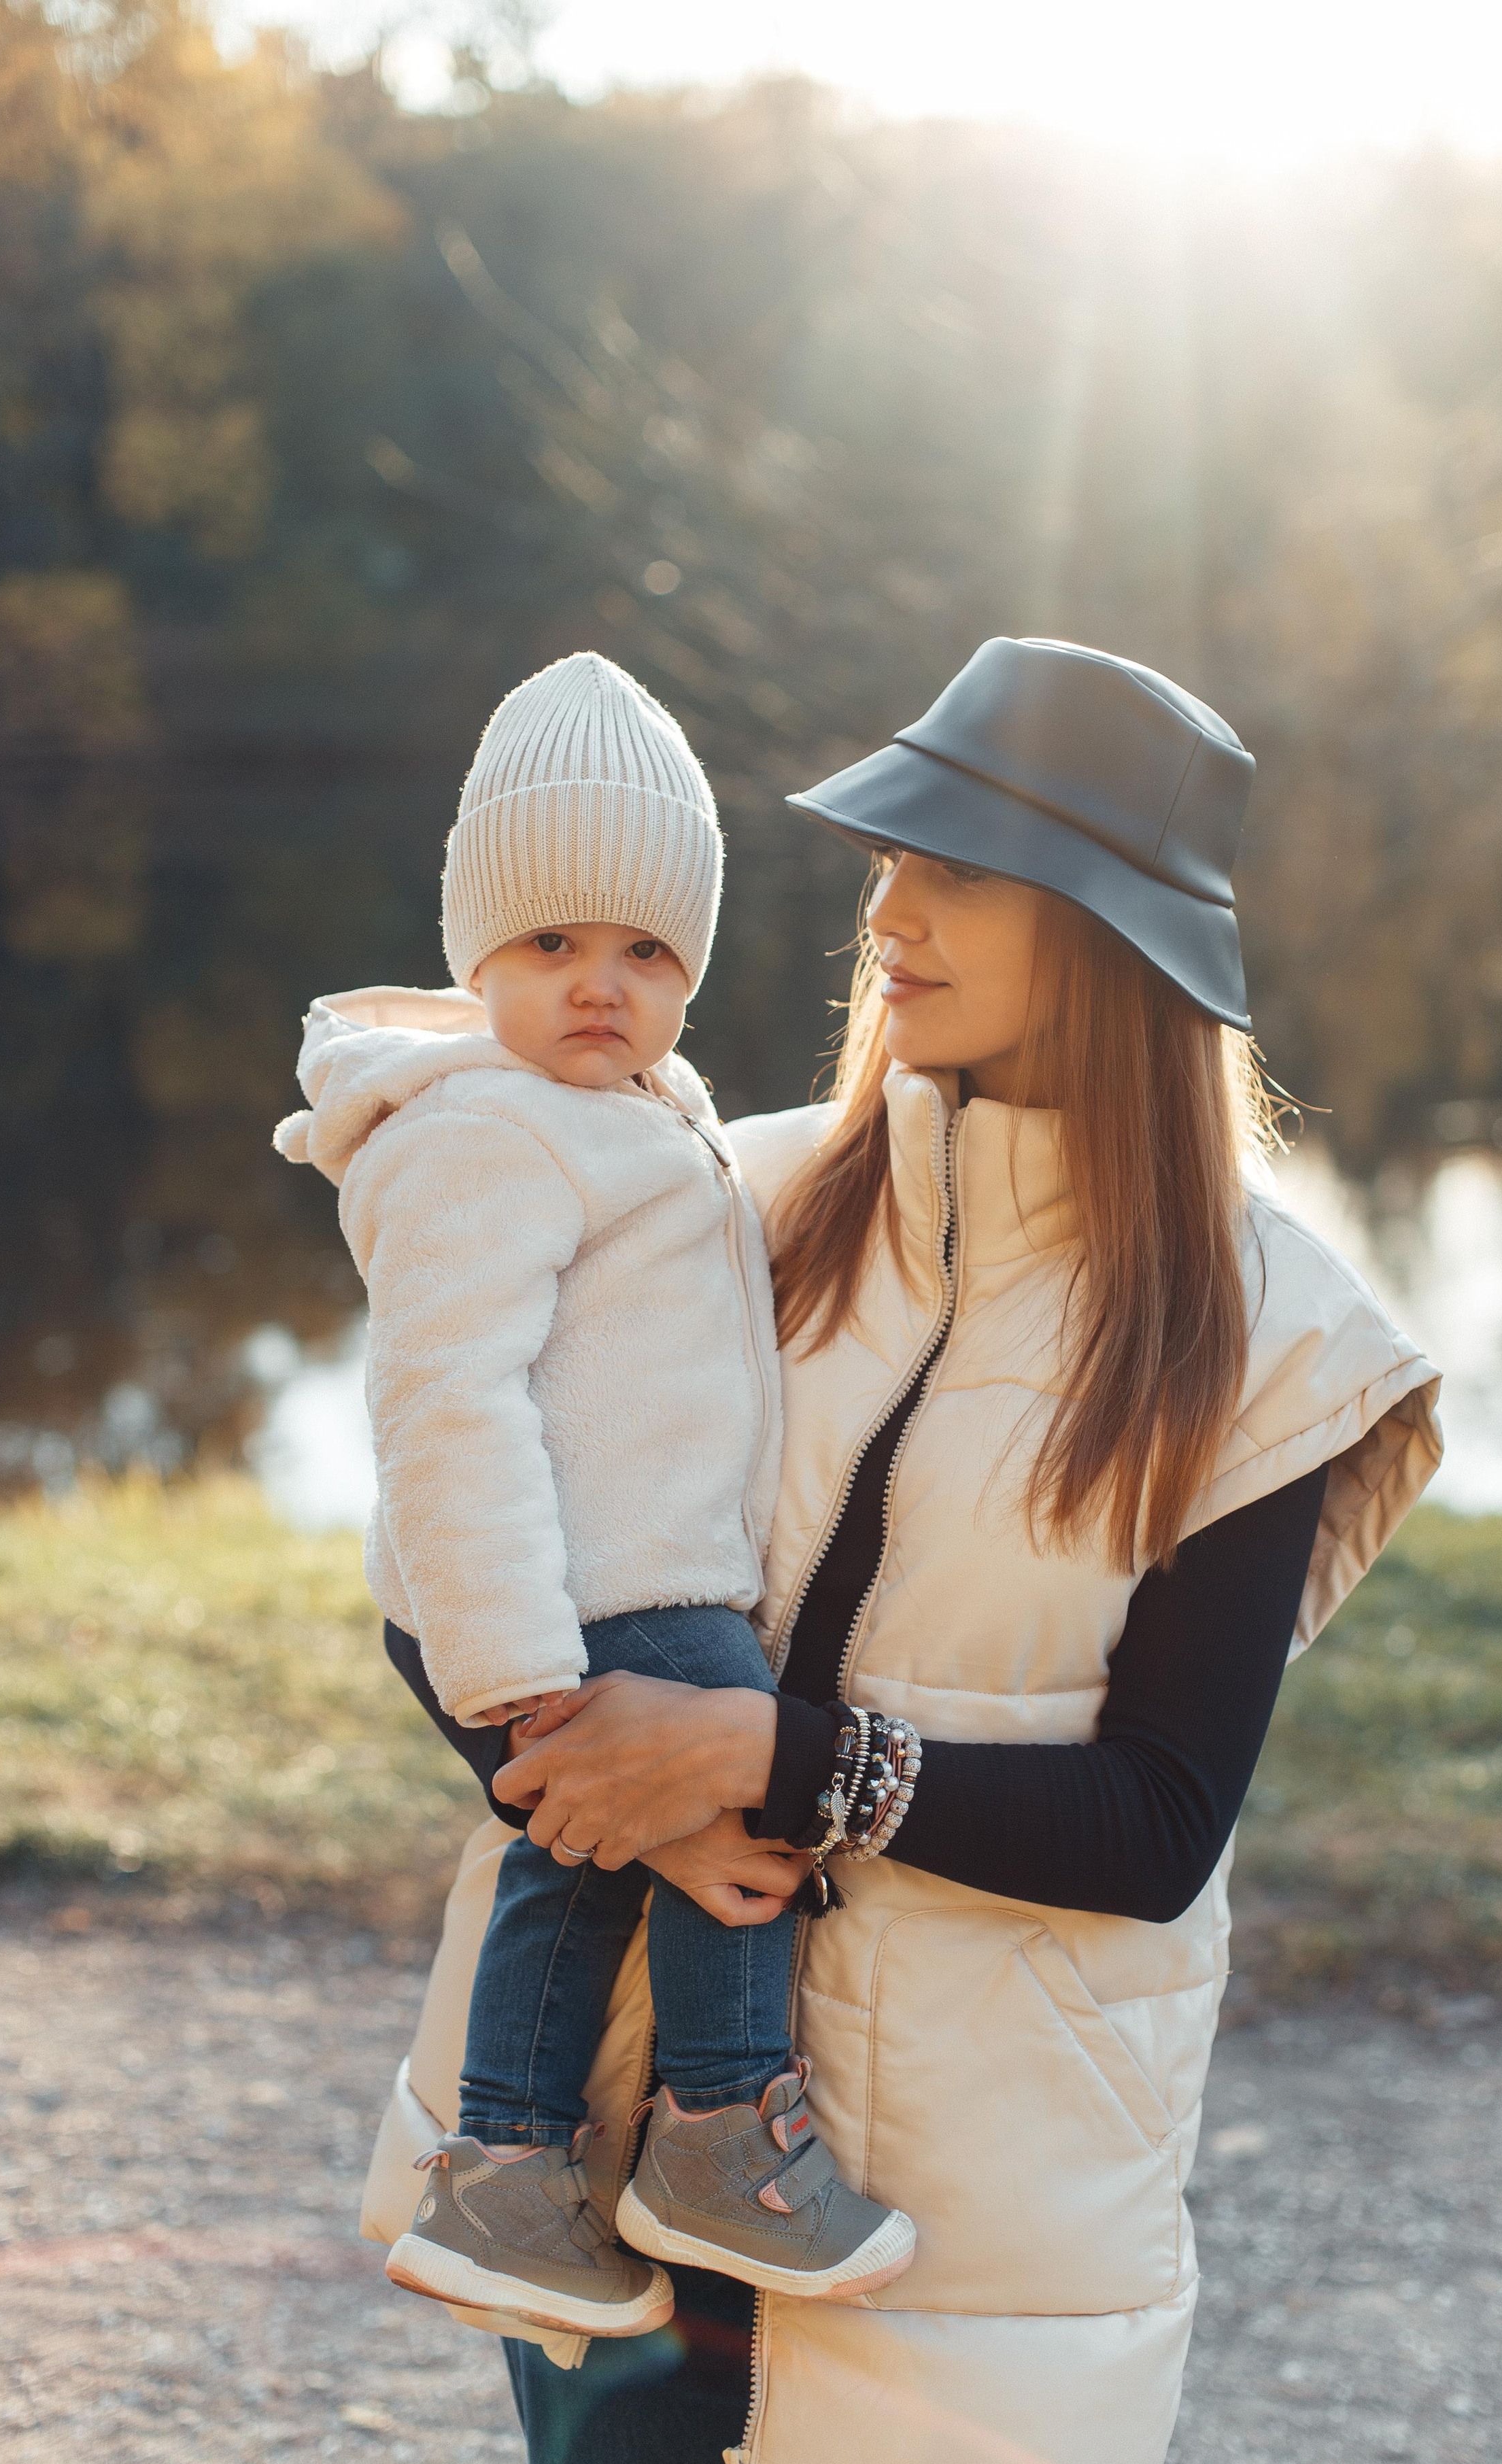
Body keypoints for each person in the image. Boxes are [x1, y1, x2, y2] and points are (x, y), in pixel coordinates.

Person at [371, 636, 1444, 2464]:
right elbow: (437, 1572)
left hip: (978, 2196)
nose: (886, 909)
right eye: (887, 859)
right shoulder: (718, 1198)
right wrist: (649, 1806)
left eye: (953, 868)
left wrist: (764, 1765)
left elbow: (1155, 1827)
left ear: (1109, 937)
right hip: (616, 2120)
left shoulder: (1268, 1340)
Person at [275, 650, 912, 2344]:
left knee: (584, 1864)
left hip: (612, 1573)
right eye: (550, 946)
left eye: (645, 952)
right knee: (742, 1797)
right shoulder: (475, 1134)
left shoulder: (634, 1114)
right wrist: (518, 1675)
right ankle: (718, 2122)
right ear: (472, 952)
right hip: (559, 1592)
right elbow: (443, 1398)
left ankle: (504, 2169)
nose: (598, 987)